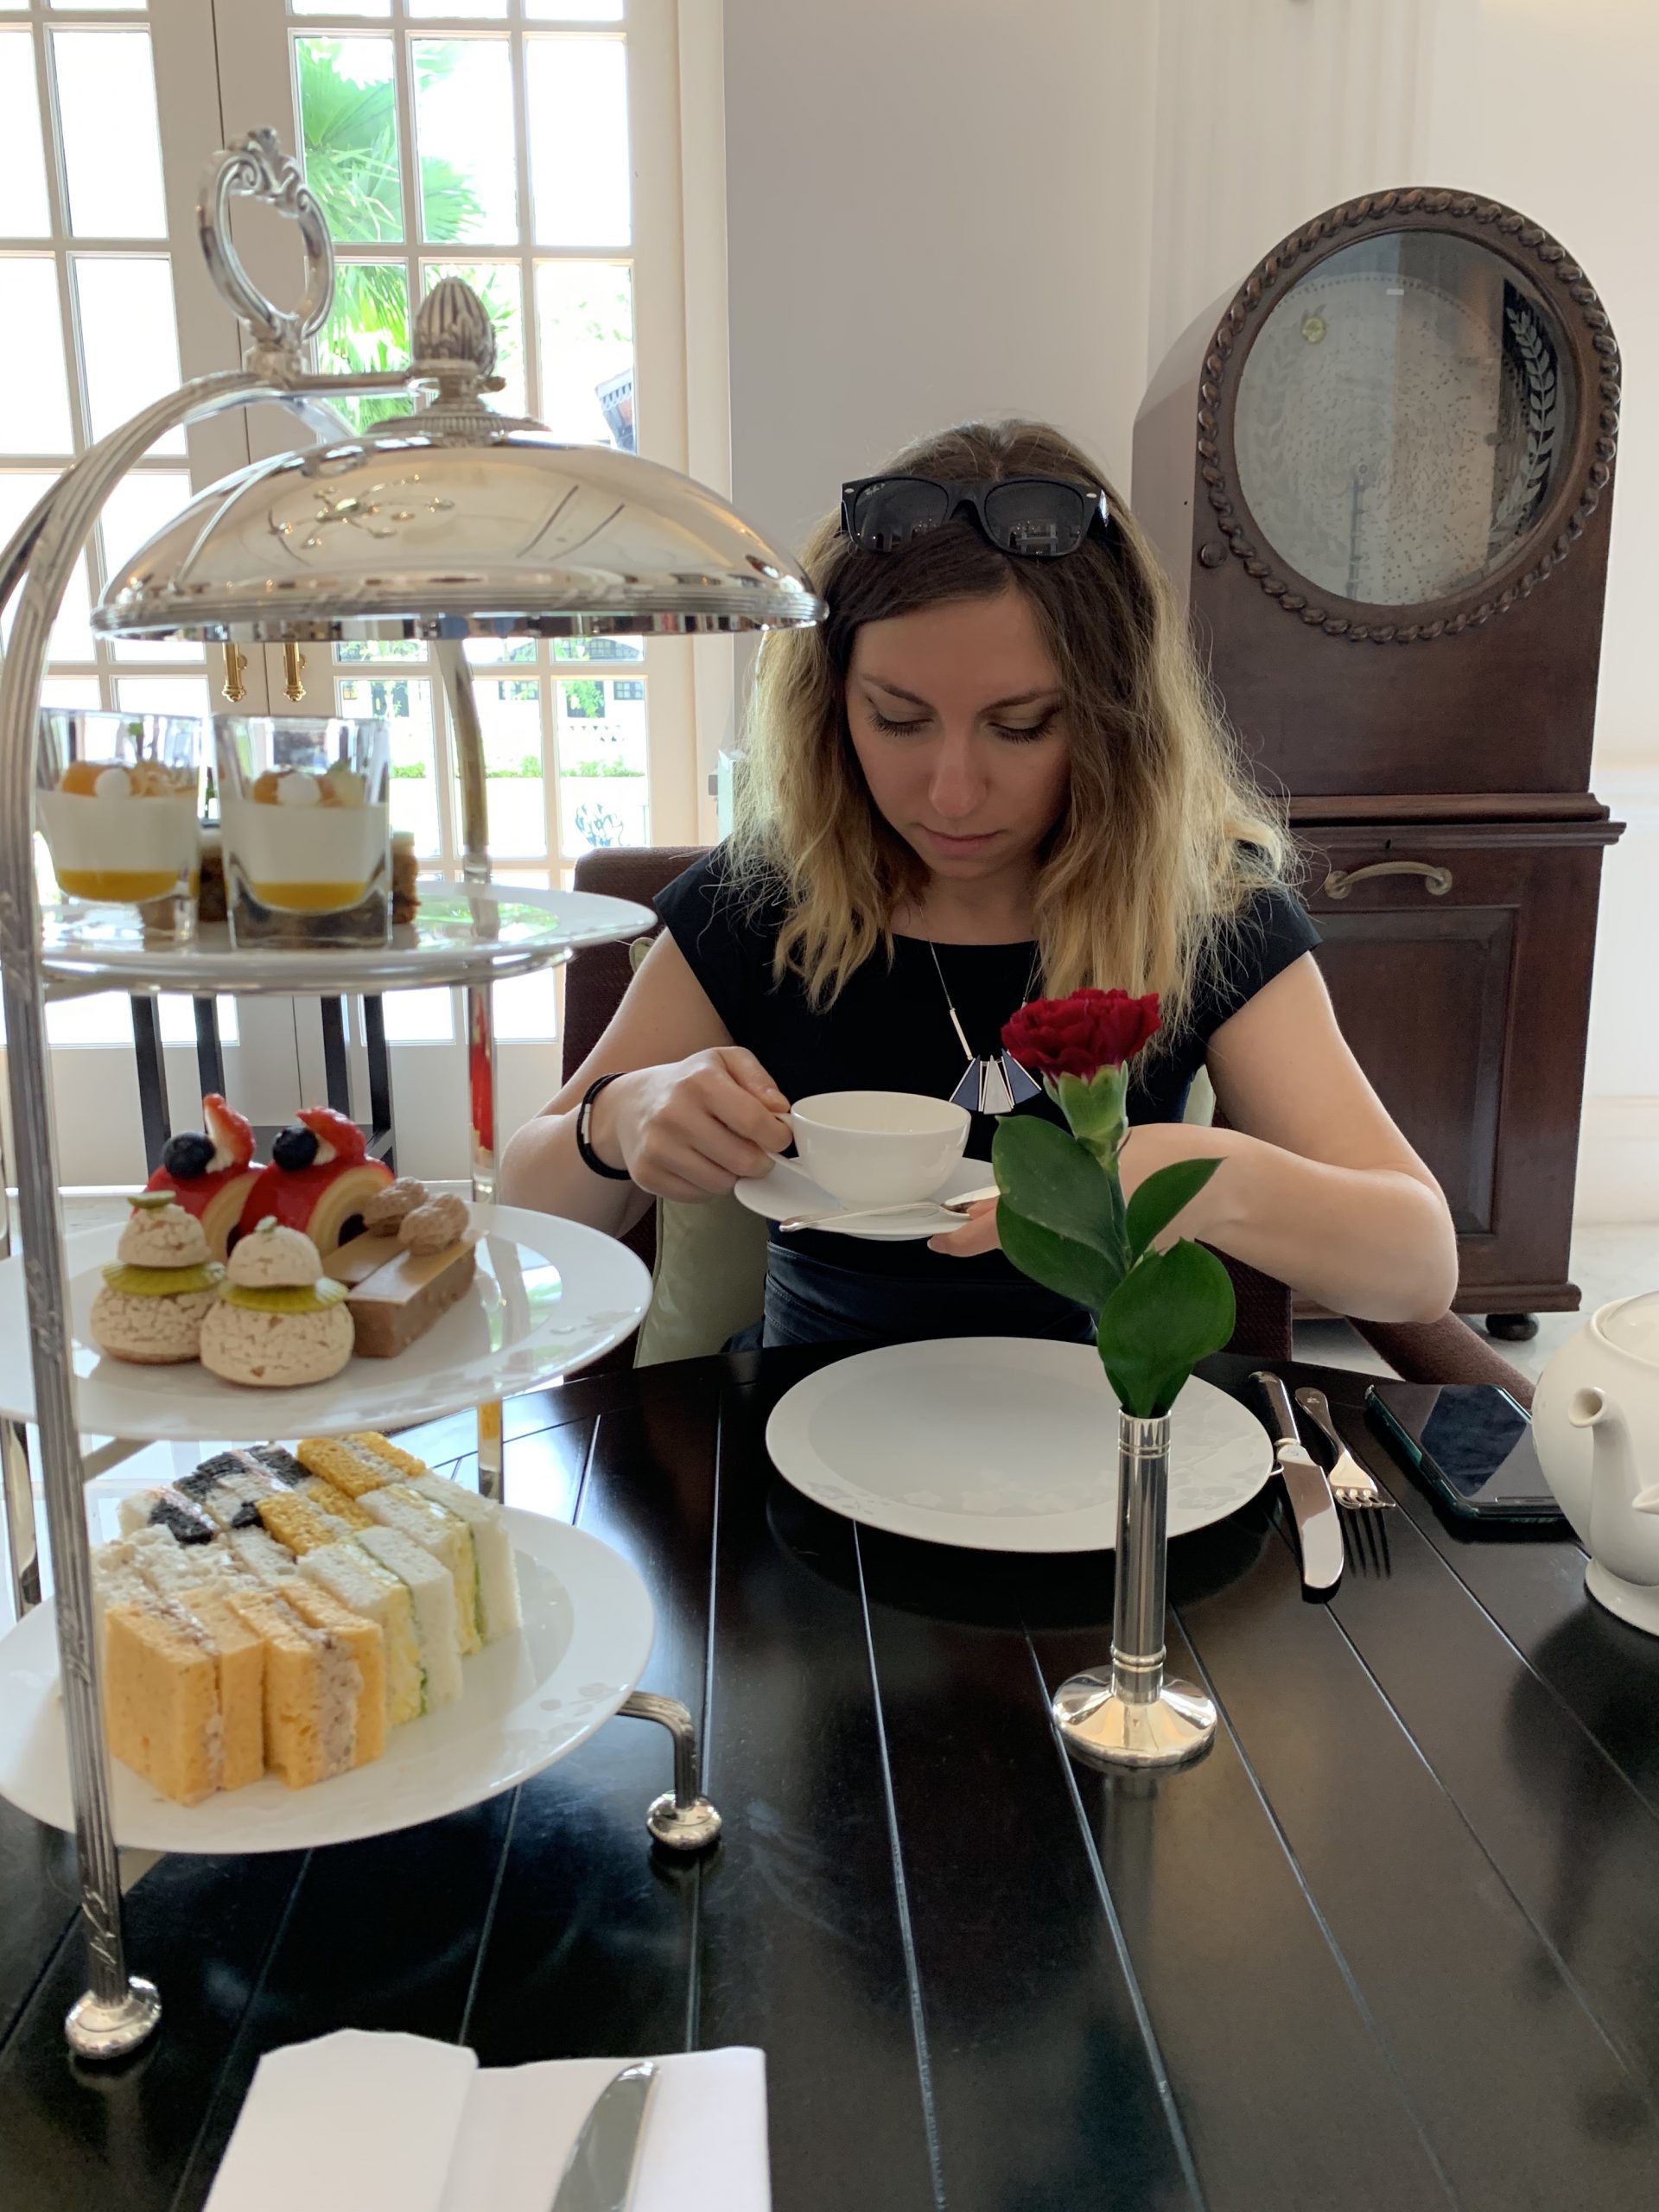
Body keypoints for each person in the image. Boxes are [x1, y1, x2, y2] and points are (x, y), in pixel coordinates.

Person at [499, 419, 1459, 1348]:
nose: (953, 794)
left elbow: (1418, 1265)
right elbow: (527, 1202)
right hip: (802, 1425)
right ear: (831, 708)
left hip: (1095, 1434)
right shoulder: (760, 900)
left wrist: (1214, 1177)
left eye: (1022, 725)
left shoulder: (1205, 908)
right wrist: (615, 1122)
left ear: (1113, 721)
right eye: (899, 720)